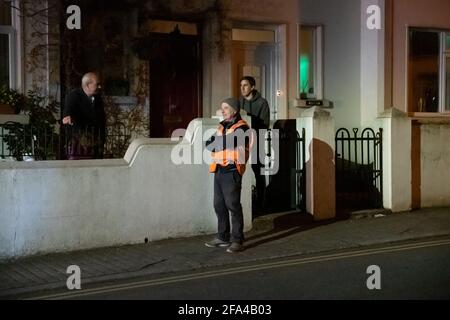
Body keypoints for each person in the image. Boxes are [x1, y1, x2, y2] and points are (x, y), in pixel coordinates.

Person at [205, 97, 252, 253]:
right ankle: (223, 236)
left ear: (234, 109)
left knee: (233, 205)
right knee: (218, 205)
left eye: (225, 108)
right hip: (218, 169)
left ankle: (237, 240)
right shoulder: (222, 126)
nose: (222, 111)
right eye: (222, 108)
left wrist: (218, 142)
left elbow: (229, 142)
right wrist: (218, 142)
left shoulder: (243, 127)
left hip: (232, 170)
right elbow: (208, 144)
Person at [239, 76, 270, 215]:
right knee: (240, 170)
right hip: (242, 142)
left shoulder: (262, 103)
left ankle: (261, 202)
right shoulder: (239, 103)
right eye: (241, 85)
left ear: (252, 87)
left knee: (259, 171)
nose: (242, 88)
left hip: (257, 140)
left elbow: (264, 124)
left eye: (245, 85)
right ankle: (243, 201)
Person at [63, 72, 106, 159]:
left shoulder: (98, 98)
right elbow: (66, 118)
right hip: (80, 144)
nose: (99, 87)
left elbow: (101, 118)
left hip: (97, 142)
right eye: (97, 84)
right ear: (87, 85)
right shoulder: (73, 96)